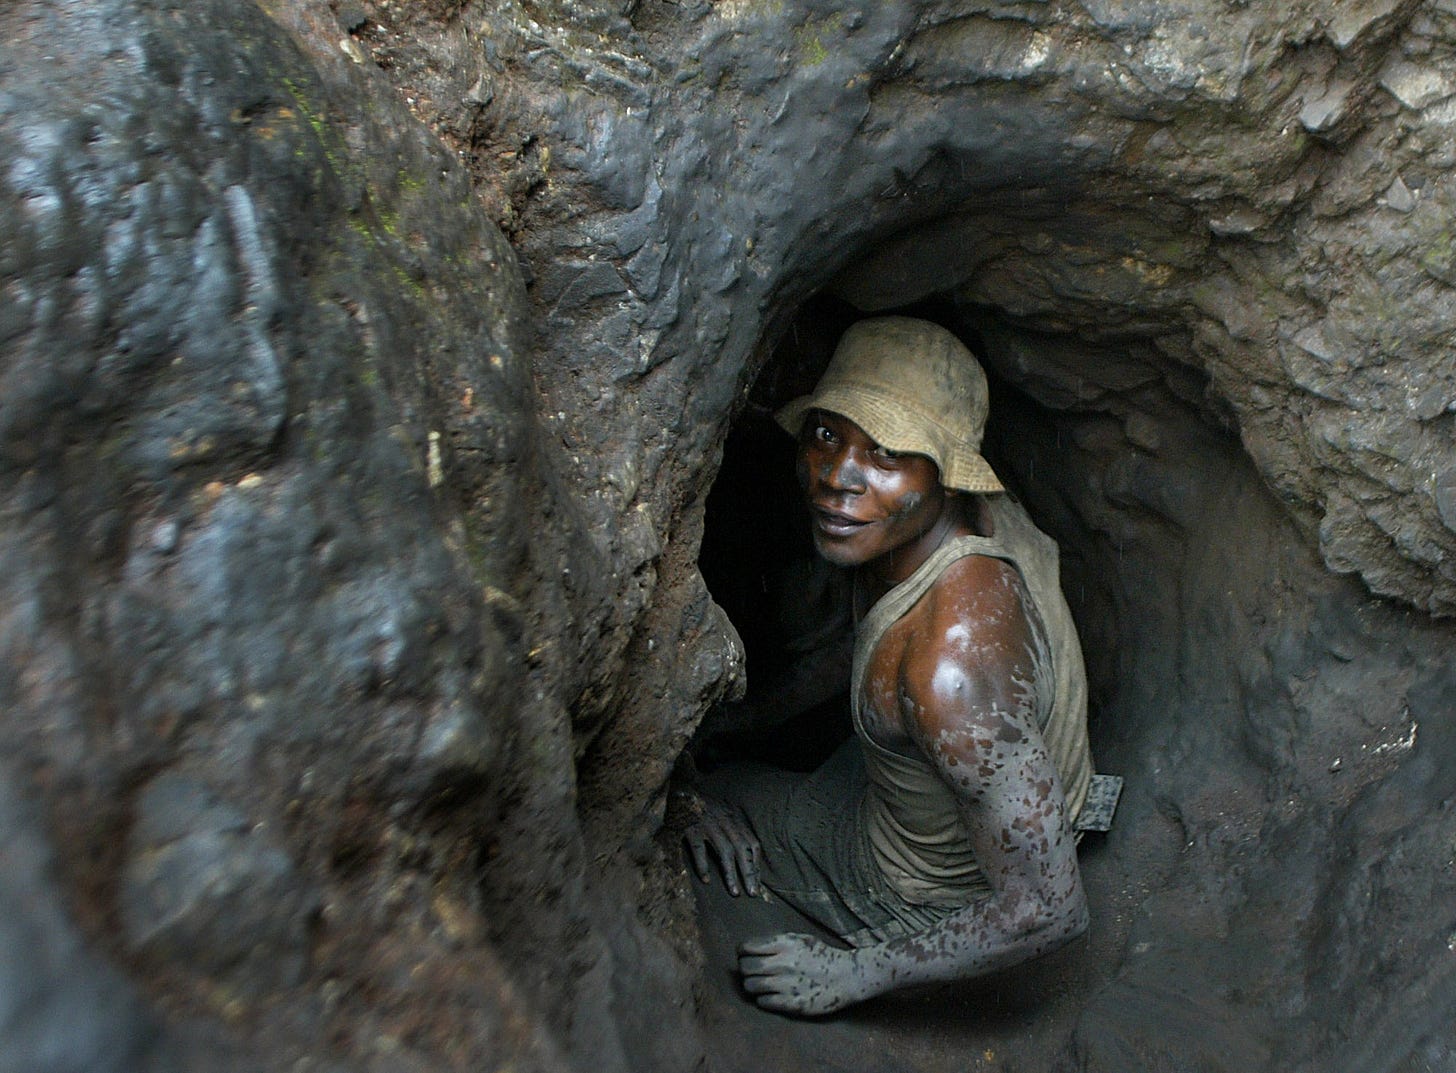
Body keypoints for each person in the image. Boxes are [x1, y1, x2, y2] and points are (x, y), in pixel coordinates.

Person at [678, 316, 1095, 1016]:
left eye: (888, 451)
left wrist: (849, 974)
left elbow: (1051, 908)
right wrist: (744, 716)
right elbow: (873, 648)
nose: (837, 477)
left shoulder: (952, 674)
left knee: (710, 789)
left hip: (934, 890)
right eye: (826, 435)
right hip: (972, 789)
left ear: (945, 474)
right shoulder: (942, 527)